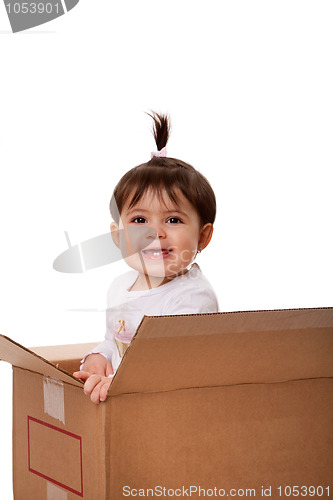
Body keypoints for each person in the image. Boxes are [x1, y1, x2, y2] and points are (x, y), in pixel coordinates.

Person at [73, 112, 219, 404]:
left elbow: (168, 365)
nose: (155, 233)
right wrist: (98, 358)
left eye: (174, 220)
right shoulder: (119, 287)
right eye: (139, 219)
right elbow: (113, 341)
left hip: (170, 407)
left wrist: (115, 382)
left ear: (202, 237)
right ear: (117, 236)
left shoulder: (191, 299)